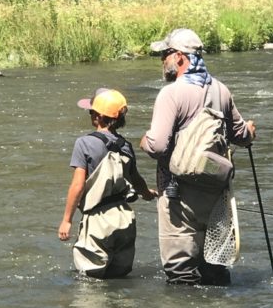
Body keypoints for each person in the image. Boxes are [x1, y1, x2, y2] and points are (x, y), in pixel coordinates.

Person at [140, 28, 256, 286]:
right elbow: (241, 136)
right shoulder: (221, 91)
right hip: (216, 195)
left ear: (180, 57)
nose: (162, 60)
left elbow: (157, 146)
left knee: (181, 274)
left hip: (178, 197)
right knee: (215, 271)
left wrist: (143, 142)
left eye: (165, 54)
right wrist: (250, 131)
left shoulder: (170, 94)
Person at [58, 88, 157, 279]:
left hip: (98, 221)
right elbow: (136, 180)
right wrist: (147, 194)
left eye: (91, 112)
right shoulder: (126, 145)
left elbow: (77, 186)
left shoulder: (84, 144)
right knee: (119, 280)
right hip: (124, 220)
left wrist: (67, 220)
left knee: (91, 282)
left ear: (98, 117)